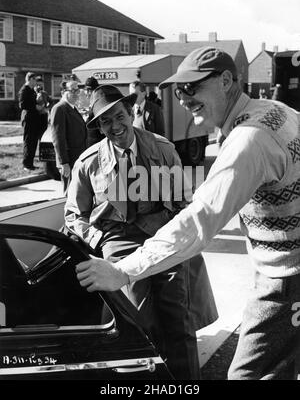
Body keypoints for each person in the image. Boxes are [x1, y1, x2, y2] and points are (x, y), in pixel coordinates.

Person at [75, 46, 300, 380]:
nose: (183, 98)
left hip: (285, 278)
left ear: (226, 81)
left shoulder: (247, 140)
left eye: (192, 87)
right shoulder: (277, 111)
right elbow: (76, 212)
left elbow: (198, 219)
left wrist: (121, 271)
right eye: (178, 90)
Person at [65, 84, 217, 379]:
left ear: (130, 113)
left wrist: (175, 235)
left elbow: (185, 202)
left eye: (119, 116)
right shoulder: (88, 163)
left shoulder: (162, 149)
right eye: (106, 121)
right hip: (117, 240)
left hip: (162, 236)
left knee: (177, 312)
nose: (115, 126)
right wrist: (100, 241)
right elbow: (74, 214)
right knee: (135, 316)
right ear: (99, 126)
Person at [50, 80, 87, 194]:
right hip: (69, 161)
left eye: (78, 90)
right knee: (70, 193)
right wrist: (64, 162)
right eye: (73, 90)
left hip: (77, 158)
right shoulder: (59, 108)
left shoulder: (72, 108)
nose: (76, 93)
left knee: (78, 193)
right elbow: (58, 138)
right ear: (63, 92)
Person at [18, 72, 40, 171]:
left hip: (34, 119)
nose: (36, 81)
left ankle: (30, 163)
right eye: (35, 79)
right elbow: (22, 105)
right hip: (28, 118)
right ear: (30, 79)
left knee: (33, 141)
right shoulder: (24, 90)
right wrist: (35, 106)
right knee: (28, 141)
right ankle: (26, 164)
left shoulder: (32, 90)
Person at [83, 77, 105, 147]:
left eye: (90, 90)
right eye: (87, 90)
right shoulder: (92, 105)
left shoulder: (99, 106)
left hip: (97, 146)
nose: (88, 93)